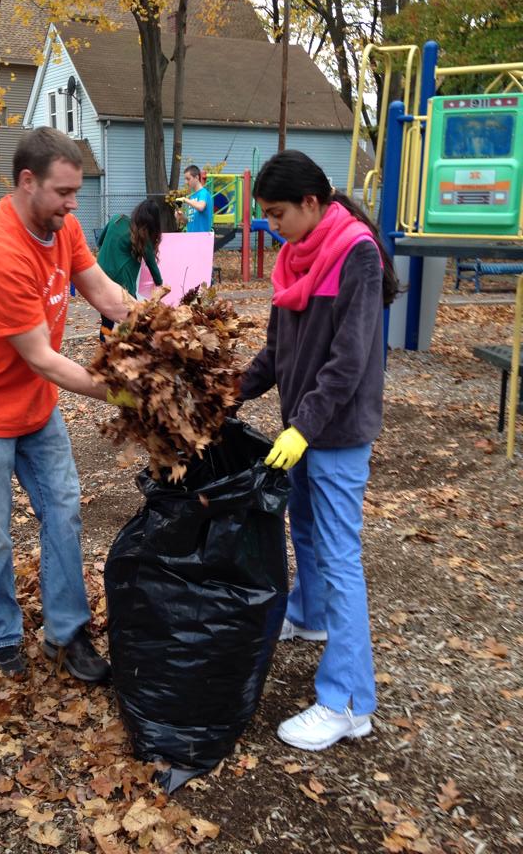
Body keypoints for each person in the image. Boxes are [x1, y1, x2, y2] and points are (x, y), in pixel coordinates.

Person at [0, 127, 137, 683]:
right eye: (64, 192)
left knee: (63, 511)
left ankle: (66, 634)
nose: (74, 205)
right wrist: (125, 392)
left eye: (76, 193)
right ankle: (1, 635)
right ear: (27, 182)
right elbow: (44, 359)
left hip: (34, 407)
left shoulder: (61, 228)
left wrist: (160, 329)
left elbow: (105, 293)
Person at [238, 150, 398, 752]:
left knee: (337, 556)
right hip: (301, 429)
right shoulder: (293, 256)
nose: (272, 226)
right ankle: (308, 616)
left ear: (312, 203)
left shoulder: (356, 252)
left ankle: (349, 702)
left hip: (335, 432)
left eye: (278, 214)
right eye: (267, 216)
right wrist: (230, 391)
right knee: (302, 530)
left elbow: (351, 359)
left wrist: (303, 428)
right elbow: (278, 351)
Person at [96, 198, 163, 341]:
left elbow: (99, 241)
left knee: (107, 315)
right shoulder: (142, 236)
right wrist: (160, 284)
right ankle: (127, 346)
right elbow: (152, 266)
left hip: (99, 274)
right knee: (132, 314)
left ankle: (104, 342)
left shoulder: (116, 219)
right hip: (122, 280)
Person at [178, 164, 213, 233]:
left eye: (188, 179)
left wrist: (185, 200)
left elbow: (200, 207)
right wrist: (181, 216)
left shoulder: (203, 193)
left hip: (202, 238)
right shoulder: (192, 196)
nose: (186, 182)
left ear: (197, 177)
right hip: (191, 237)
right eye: (185, 179)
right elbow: (189, 221)